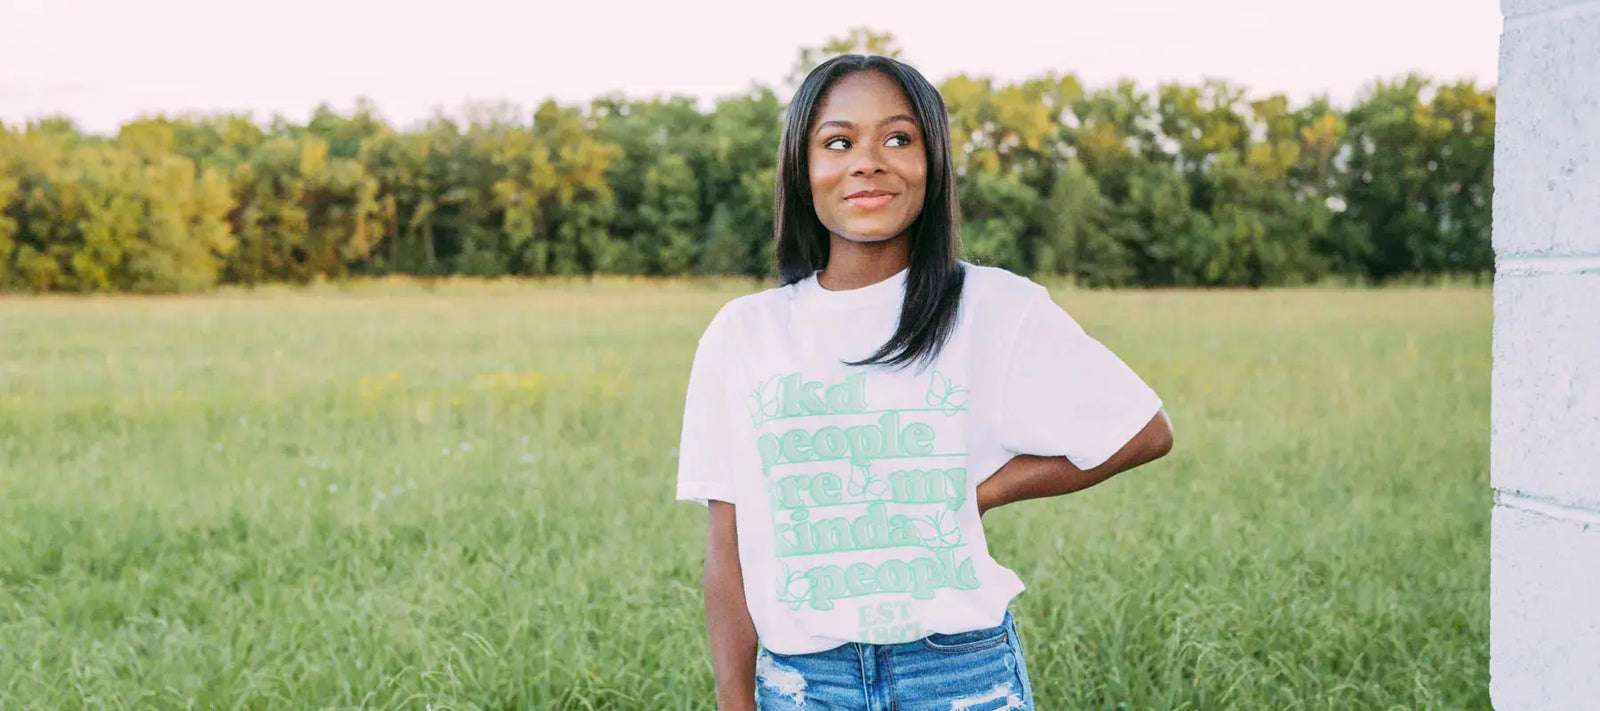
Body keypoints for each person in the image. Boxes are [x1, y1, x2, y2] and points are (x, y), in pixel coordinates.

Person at [674, 53, 1175, 710]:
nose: (868, 160)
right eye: (838, 141)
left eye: (898, 138)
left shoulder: (993, 307)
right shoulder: (744, 333)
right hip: (804, 683)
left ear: (932, 162)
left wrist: (982, 491)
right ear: (802, 168)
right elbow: (727, 545)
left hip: (958, 671)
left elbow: (1143, 428)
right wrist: (736, 703)